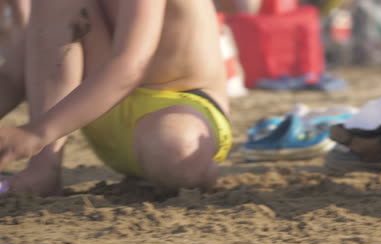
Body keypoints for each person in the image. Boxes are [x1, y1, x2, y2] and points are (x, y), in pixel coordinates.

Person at [0, 0, 232, 197]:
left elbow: (131, 67)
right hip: (101, 104)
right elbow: (14, 74)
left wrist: (36, 134)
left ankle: (197, 167)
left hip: (181, 104)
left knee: (178, 151)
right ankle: (43, 169)